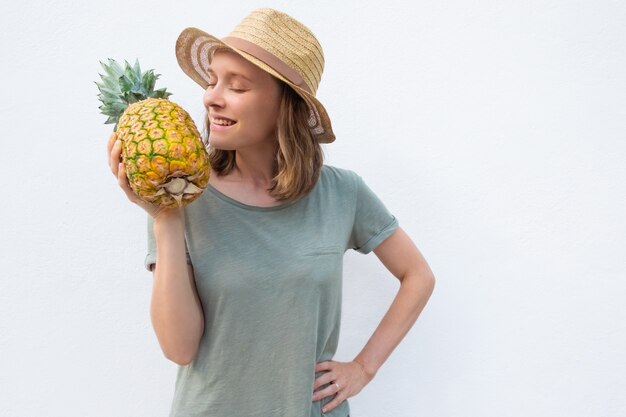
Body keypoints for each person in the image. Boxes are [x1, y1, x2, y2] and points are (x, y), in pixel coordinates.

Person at [107, 8, 435, 417]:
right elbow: (179, 347)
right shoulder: (180, 195)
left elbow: (418, 276)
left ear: (286, 105)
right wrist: (165, 218)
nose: (211, 97)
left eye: (238, 86)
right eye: (212, 82)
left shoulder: (342, 192)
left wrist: (363, 368)